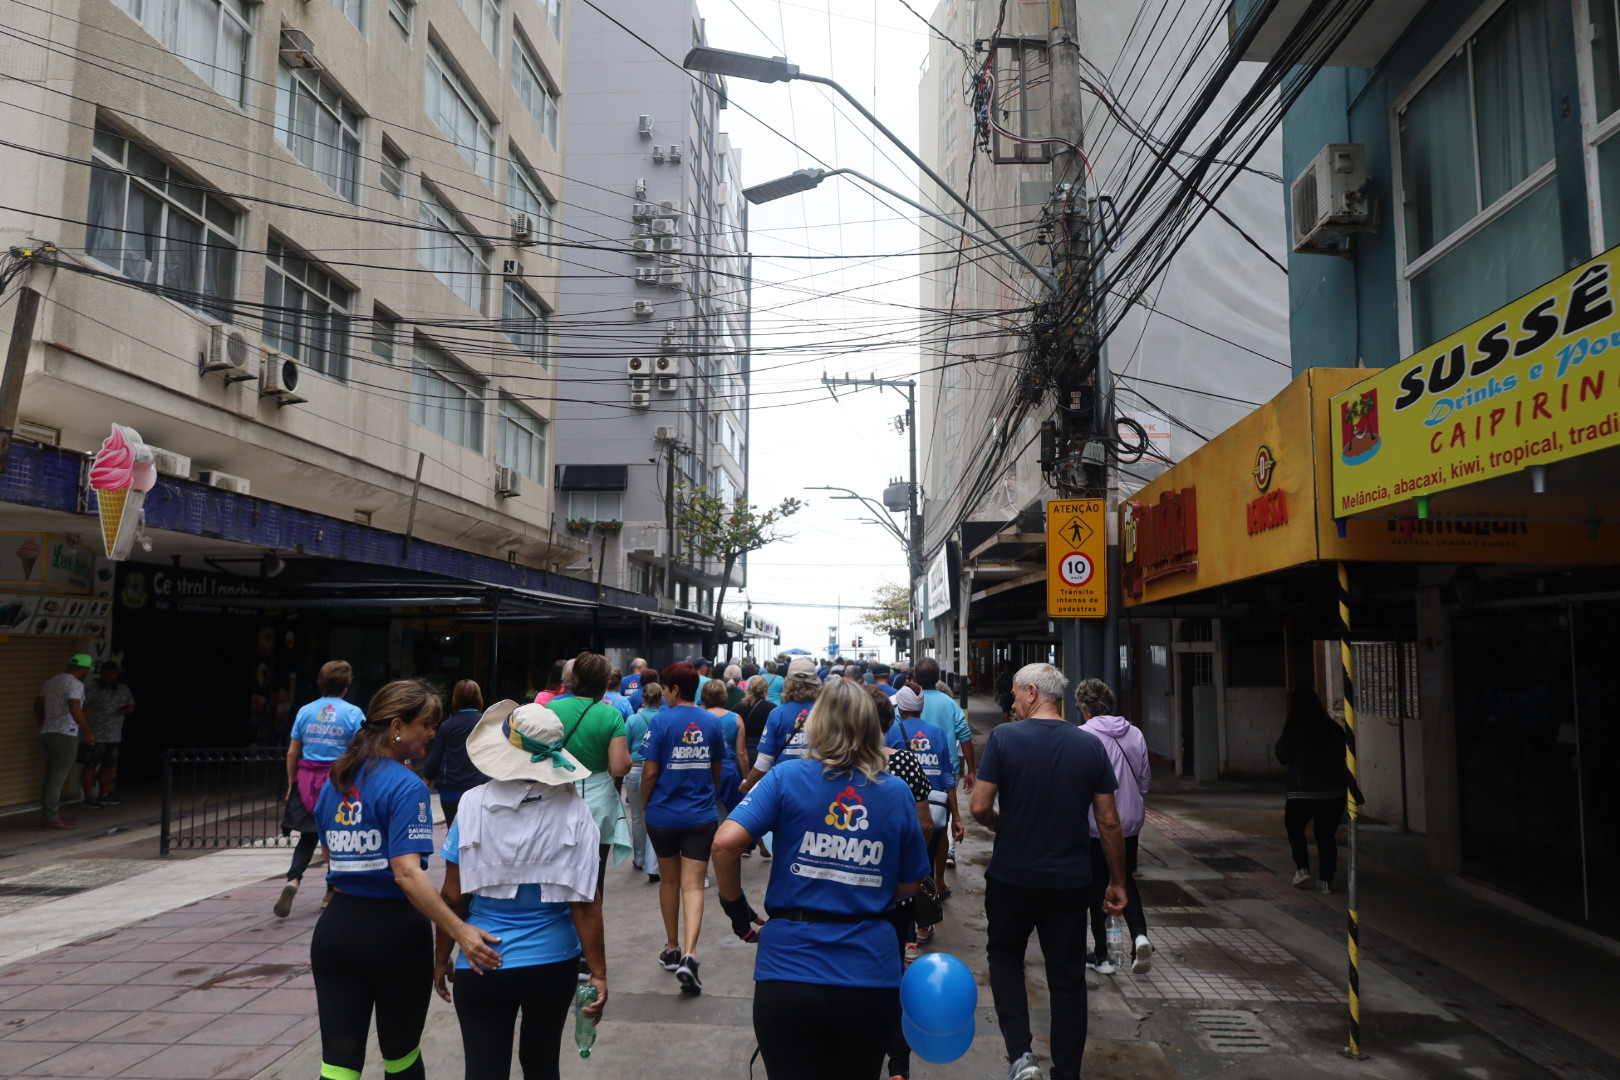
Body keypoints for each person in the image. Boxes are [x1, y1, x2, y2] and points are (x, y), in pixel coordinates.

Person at [713, 678, 931, 1080]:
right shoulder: (896, 791)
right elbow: (911, 884)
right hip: (868, 973)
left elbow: (725, 845)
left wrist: (738, 912)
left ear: (817, 724)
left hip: (788, 971)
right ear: (871, 725)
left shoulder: (785, 777)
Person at [311, 680, 500, 1080]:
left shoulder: (337, 781)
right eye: (426, 724)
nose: (432, 733)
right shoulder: (406, 786)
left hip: (335, 932)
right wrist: (460, 931)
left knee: (338, 1064)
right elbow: (406, 873)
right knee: (400, 1057)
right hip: (393, 936)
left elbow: (331, 856)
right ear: (397, 725)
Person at [970, 663, 1126, 1080]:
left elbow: (980, 807)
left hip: (1012, 876)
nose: (1014, 702)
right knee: (1067, 975)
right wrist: (1116, 881)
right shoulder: (1090, 745)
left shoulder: (1004, 739)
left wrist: (1001, 825)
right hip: (1070, 880)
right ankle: (1067, 1072)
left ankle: (1021, 1056)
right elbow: (1109, 821)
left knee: (1004, 958)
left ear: (1033, 693)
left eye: (1017, 694)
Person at [436, 700, 607, 1080]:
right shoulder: (575, 811)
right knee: (543, 1064)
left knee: (483, 1069)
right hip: (553, 961)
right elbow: (585, 903)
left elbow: (452, 897)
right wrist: (598, 974)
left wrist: (441, 956)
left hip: (482, 957)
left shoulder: (472, 804)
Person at [639, 661, 722, 994]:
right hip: (700, 816)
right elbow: (717, 770)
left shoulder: (661, 722)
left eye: (666, 690)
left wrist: (645, 805)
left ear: (674, 690)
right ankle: (690, 954)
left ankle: (671, 947)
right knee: (694, 886)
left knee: (669, 880)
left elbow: (648, 773)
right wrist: (706, 796)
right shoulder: (712, 723)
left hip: (663, 815)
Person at [1075, 678, 1153, 976]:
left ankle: (1103, 956)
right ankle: (1140, 937)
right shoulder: (1135, 733)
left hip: (1096, 826)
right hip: (1130, 824)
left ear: (1084, 708)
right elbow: (1144, 782)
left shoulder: (1083, 736)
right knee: (1124, 879)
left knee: (1097, 887)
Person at [276, 660, 365, 918]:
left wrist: (291, 784)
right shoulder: (354, 713)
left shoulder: (305, 711)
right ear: (346, 685)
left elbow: (293, 751)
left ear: (320, 682)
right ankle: (330, 891)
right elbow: (360, 752)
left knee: (307, 837)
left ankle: (293, 880)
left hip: (306, 781)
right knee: (337, 837)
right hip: (338, 781)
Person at [543, 653, 633, 891]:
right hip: (597, 801)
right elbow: (620, 766)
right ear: (604, 682)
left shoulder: (553, 707)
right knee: (595, 875)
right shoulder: (611, 714)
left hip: (557, 793)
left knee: (558, 870)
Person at [891, 685, 959, 943]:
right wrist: (956, 815)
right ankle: (923, 924)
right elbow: (947, 775)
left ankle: (908, 930)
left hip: (904, 809)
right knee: (926, 865)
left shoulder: (892, 732)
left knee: (905, 867)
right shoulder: (938, 733)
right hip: (935, 808)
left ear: (901, 707)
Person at [1275, 687, 1346, 894]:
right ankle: (1326, 879)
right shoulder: (1333, 728)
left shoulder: (1294, 729)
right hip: (1333, 792)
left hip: (1302, 791)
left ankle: (1302, 867)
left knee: (1294, 827)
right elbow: (1346, 751)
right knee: (1326, 835)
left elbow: (1282, 756)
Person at [913, 657, 976, 876]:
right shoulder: (950, 703)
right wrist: (971, 770)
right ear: (938, 678)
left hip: (912, 771)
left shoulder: (910, 702)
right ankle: (939, 881)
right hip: (945, 773)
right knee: (942, 822)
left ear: (915, 678)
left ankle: (916, 871)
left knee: (912, 820)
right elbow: (965, 737)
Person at [738, 660, 819, 796]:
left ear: (788, 683)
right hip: (817, 785)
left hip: (785, 786)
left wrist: (747, 785)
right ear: (816, 683)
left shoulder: (777, 713)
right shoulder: (826, 713)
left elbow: (764, 762)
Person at [34, 654, 94, 829]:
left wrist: (43, 723)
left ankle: (49, 813)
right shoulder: (75, 684)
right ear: (83, 669)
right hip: (65, 734)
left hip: (47, 733)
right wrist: (88, 731)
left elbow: (37, 704)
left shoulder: (51, 681)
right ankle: (51, 818)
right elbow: (74, 707)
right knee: (57, 777)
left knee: (51, 776)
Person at [422, 680, 489, 827]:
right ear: (479, 698)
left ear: (456, 699)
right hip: (480, 788)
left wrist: (426, 779)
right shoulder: (485, 722)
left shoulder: (447, 726)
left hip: (450, 790)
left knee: (453, 833)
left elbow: (436, 757)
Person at [624, 682, 663, 879]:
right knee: (655, 817)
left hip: (634, 770)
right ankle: (653, 863)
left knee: (638, 818)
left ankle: (639, 858)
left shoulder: (632, 720)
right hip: (656, 771)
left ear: (643, 698)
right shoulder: (665, 719)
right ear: (660, 699)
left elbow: (627, 746)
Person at [81, 661, 133, 807]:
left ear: (117, 674)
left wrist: (126, 710)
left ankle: (104, 794)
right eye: (105, 674)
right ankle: (88, 797)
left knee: (108, 765)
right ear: (101, 674)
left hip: (114, 734)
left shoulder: (123, 689)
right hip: (95, 734)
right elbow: (81, 707)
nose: (109, 676)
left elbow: (131, 706)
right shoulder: (93, 689)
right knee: (90, 765)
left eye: (112, 673)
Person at [700, 677, 749, 818]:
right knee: (732, 814)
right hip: (728, 772)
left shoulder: (698, 718)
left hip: (704, 770)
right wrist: (747, 778)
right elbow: (741, 752)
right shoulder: (736, 718)